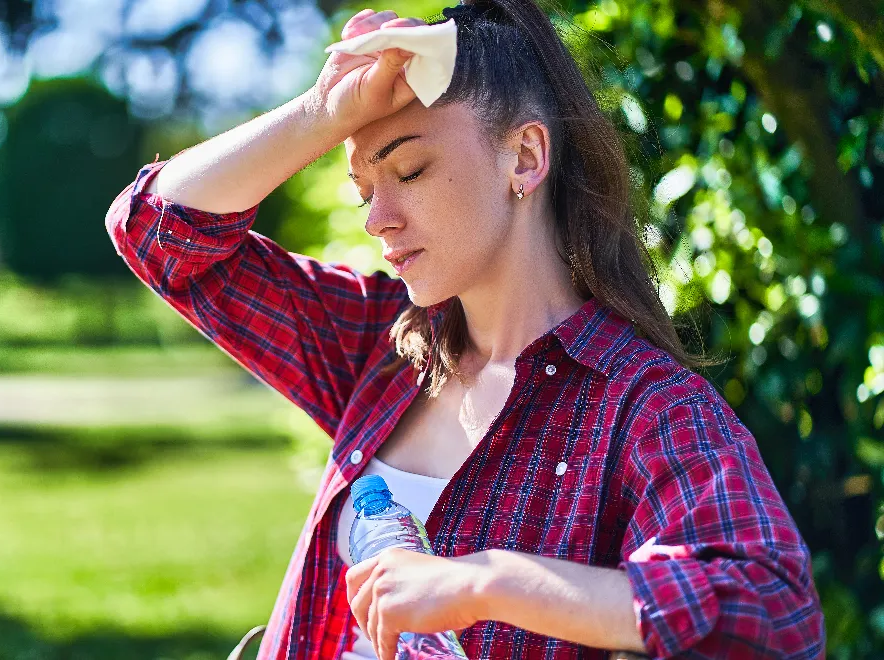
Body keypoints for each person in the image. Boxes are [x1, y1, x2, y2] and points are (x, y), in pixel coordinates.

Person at [104, 1, 825, 658]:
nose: (375, 219)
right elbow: (158, 235)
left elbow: (774, 614)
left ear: (525, 157)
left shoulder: (643, 408)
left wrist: (486, 582)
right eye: (363, 190)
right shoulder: (382, 346)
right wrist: (323, 111)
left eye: (410, 170)